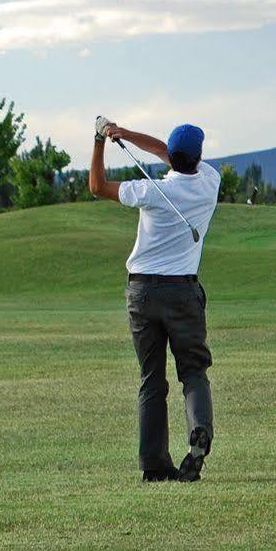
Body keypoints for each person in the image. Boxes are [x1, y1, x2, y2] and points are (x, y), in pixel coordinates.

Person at [89, 119, 221, 483]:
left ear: (173, 158)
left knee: (152, 378)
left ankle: (154, 465)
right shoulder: (211, 181)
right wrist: (126, 135)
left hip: (142, 293)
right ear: (198, 156)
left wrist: (101, 140)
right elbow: (168, 151)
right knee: (193, 372)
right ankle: (200, 433)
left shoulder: (149, 192)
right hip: (183, 293)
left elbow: (97, 186)